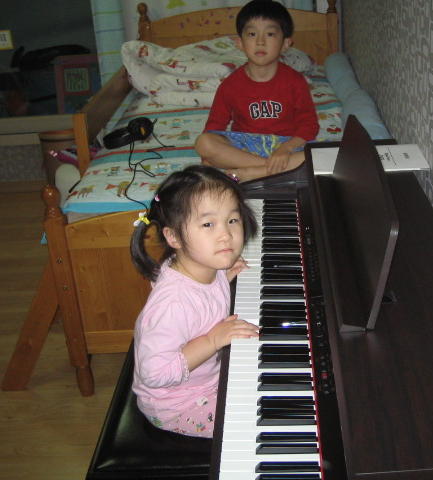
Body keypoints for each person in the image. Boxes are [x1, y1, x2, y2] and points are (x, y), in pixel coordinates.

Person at [129, 164, 259, 437]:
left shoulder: (202, 266)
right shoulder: (173, 304)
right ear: (174, 236)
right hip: (179, 404)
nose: (226, 235)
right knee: (256, 422)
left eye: (232, 220)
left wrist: (224, 276)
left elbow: (201, 299)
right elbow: (155, 374)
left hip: (207, 378)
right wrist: (212, 340)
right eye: (208, 224)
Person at [194, 0, 319, 182]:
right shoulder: (230, 85)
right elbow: (214, 128)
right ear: (240, 43)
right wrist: (210, 156)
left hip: (286, 145)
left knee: (326, 156)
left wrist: (285, 149)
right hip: (245, 146)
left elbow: (310, 126)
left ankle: (253, 172)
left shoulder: (296, 81)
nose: (260, 41)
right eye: (252, 34)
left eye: (270, 34)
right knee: (203, 142)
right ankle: (269, 170)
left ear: (286, 44)